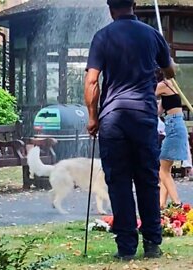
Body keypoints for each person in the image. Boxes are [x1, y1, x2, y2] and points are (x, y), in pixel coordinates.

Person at [84, 0, 175, 261]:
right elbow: (169, 70)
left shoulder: (102, 36)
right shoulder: (152, 35)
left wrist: (92, 118)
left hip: (113, 118)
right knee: (147, 180)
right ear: (134, 5)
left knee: (119, 182)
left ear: (110, 8)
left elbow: (92, 81)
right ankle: (152, 244)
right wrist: (162, 67)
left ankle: (126, 248)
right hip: (144, 117)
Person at [156, 71, 188, 208]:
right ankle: (161, 204)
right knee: (165, 169)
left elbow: (145, 93)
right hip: (174, 126)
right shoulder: (169, 87)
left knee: (162, 170)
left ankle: (176, 202)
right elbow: (157, 112)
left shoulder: (163, 85)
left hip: (174, 127)